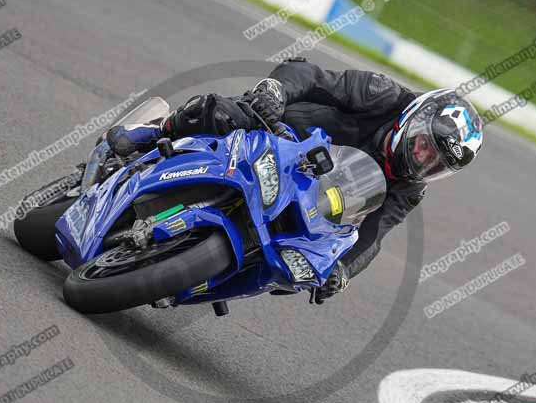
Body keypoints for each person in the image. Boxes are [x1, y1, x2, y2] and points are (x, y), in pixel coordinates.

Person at [106, 58, 483, 303]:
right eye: (425, 146)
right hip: (277, 131)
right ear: (415, 119)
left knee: (292, 268)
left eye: (436, 163)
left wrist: (342, 271)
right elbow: (312, 76)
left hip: (307, 197)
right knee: (223, 114)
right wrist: (276, 91)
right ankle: (154, 130)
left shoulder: (411, 187)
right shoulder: (381, 95)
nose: (423, 160)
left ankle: (199, 277)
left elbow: (373, 234)